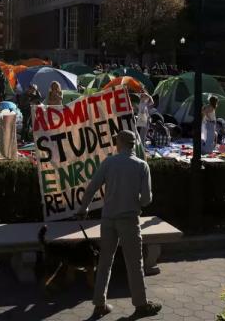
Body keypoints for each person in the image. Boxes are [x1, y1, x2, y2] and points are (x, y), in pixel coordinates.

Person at [77, 130, 162, 319]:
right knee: (135, 263)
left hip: (108, 220)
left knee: (105, 261)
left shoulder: (109, 162)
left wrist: (83, 209)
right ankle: (141, 305)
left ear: (120, 143)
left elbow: (92, 187)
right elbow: (147, 199)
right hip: (129, 220)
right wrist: (133, 201)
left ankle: (100, 305)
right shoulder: (142, 166)